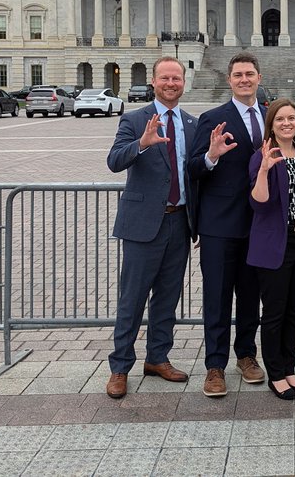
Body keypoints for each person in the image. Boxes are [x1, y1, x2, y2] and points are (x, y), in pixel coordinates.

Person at [104, 57, 197, 398]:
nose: (171, 83)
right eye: (165, 78)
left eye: (176, 78)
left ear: (183, 82)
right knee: (132, 299)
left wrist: (212, 157)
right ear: (154, 82)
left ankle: (158, 357)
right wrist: (142, 143)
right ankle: (120, 367)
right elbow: (114, 161)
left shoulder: (191, 123)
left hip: (180, 221)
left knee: (167, 298)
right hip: (143, 225)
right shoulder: (134, 119)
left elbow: (194, 171)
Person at [187, 52, 266, 397]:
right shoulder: (213, 118)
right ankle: (214, 365)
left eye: (249, 74)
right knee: (217, 297)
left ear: (258, 78)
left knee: (251, 296)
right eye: (238, 75)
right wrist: (211, 155)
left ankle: (246, 355)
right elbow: (192, 168)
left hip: (260, 224)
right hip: (219, 225)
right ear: (229, 80)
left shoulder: (272, 116)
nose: (244, 79)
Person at [247, 99, 295, 400]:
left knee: (293, 310)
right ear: (271, 124)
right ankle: (275, 373)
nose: (287, 123)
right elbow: (258, 202)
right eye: (280, 119)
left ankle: (289, 368)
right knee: (274, 312)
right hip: (275, 243)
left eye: (291, 118)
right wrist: (264, 169)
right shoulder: (262, 155)